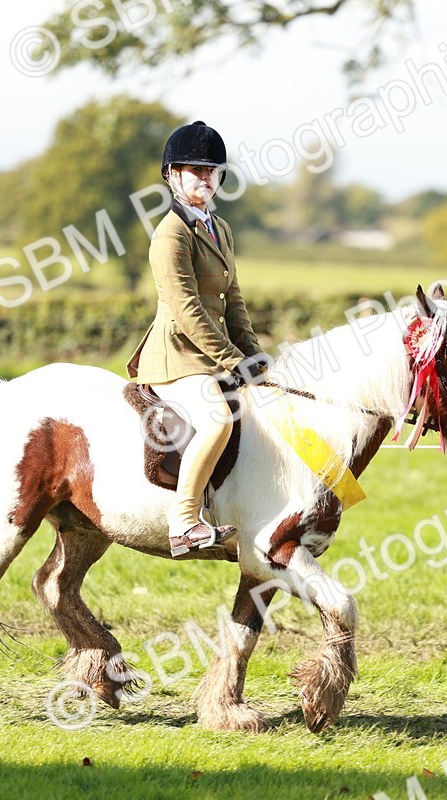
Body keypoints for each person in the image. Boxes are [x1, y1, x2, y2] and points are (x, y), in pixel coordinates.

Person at [126, 121, 271, 558]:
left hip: (213, 355)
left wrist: (257, 355)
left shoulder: (220, 229)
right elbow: (188, 310)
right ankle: (184, 520)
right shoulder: (169, 234)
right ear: (172, 175)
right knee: (219, 417)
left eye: (212, 170)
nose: (205, 178)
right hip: (176, 357)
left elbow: (234, 302)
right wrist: (232, 360)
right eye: (194, 170)